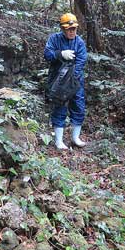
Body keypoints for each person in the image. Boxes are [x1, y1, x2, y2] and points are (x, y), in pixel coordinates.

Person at [44, 13, 87, 150]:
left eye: (74, 29)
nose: (71, 31)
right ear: (63, 29)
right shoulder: (54, 39)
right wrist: (59, 54)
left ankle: (75, 138)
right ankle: (59, 141)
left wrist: (71, 78)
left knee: (78, 107)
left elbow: (81, 61)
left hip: (75, 82)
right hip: (58, 80)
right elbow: (47, 54)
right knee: (59, 107)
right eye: (69, 29)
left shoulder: (79, 42)